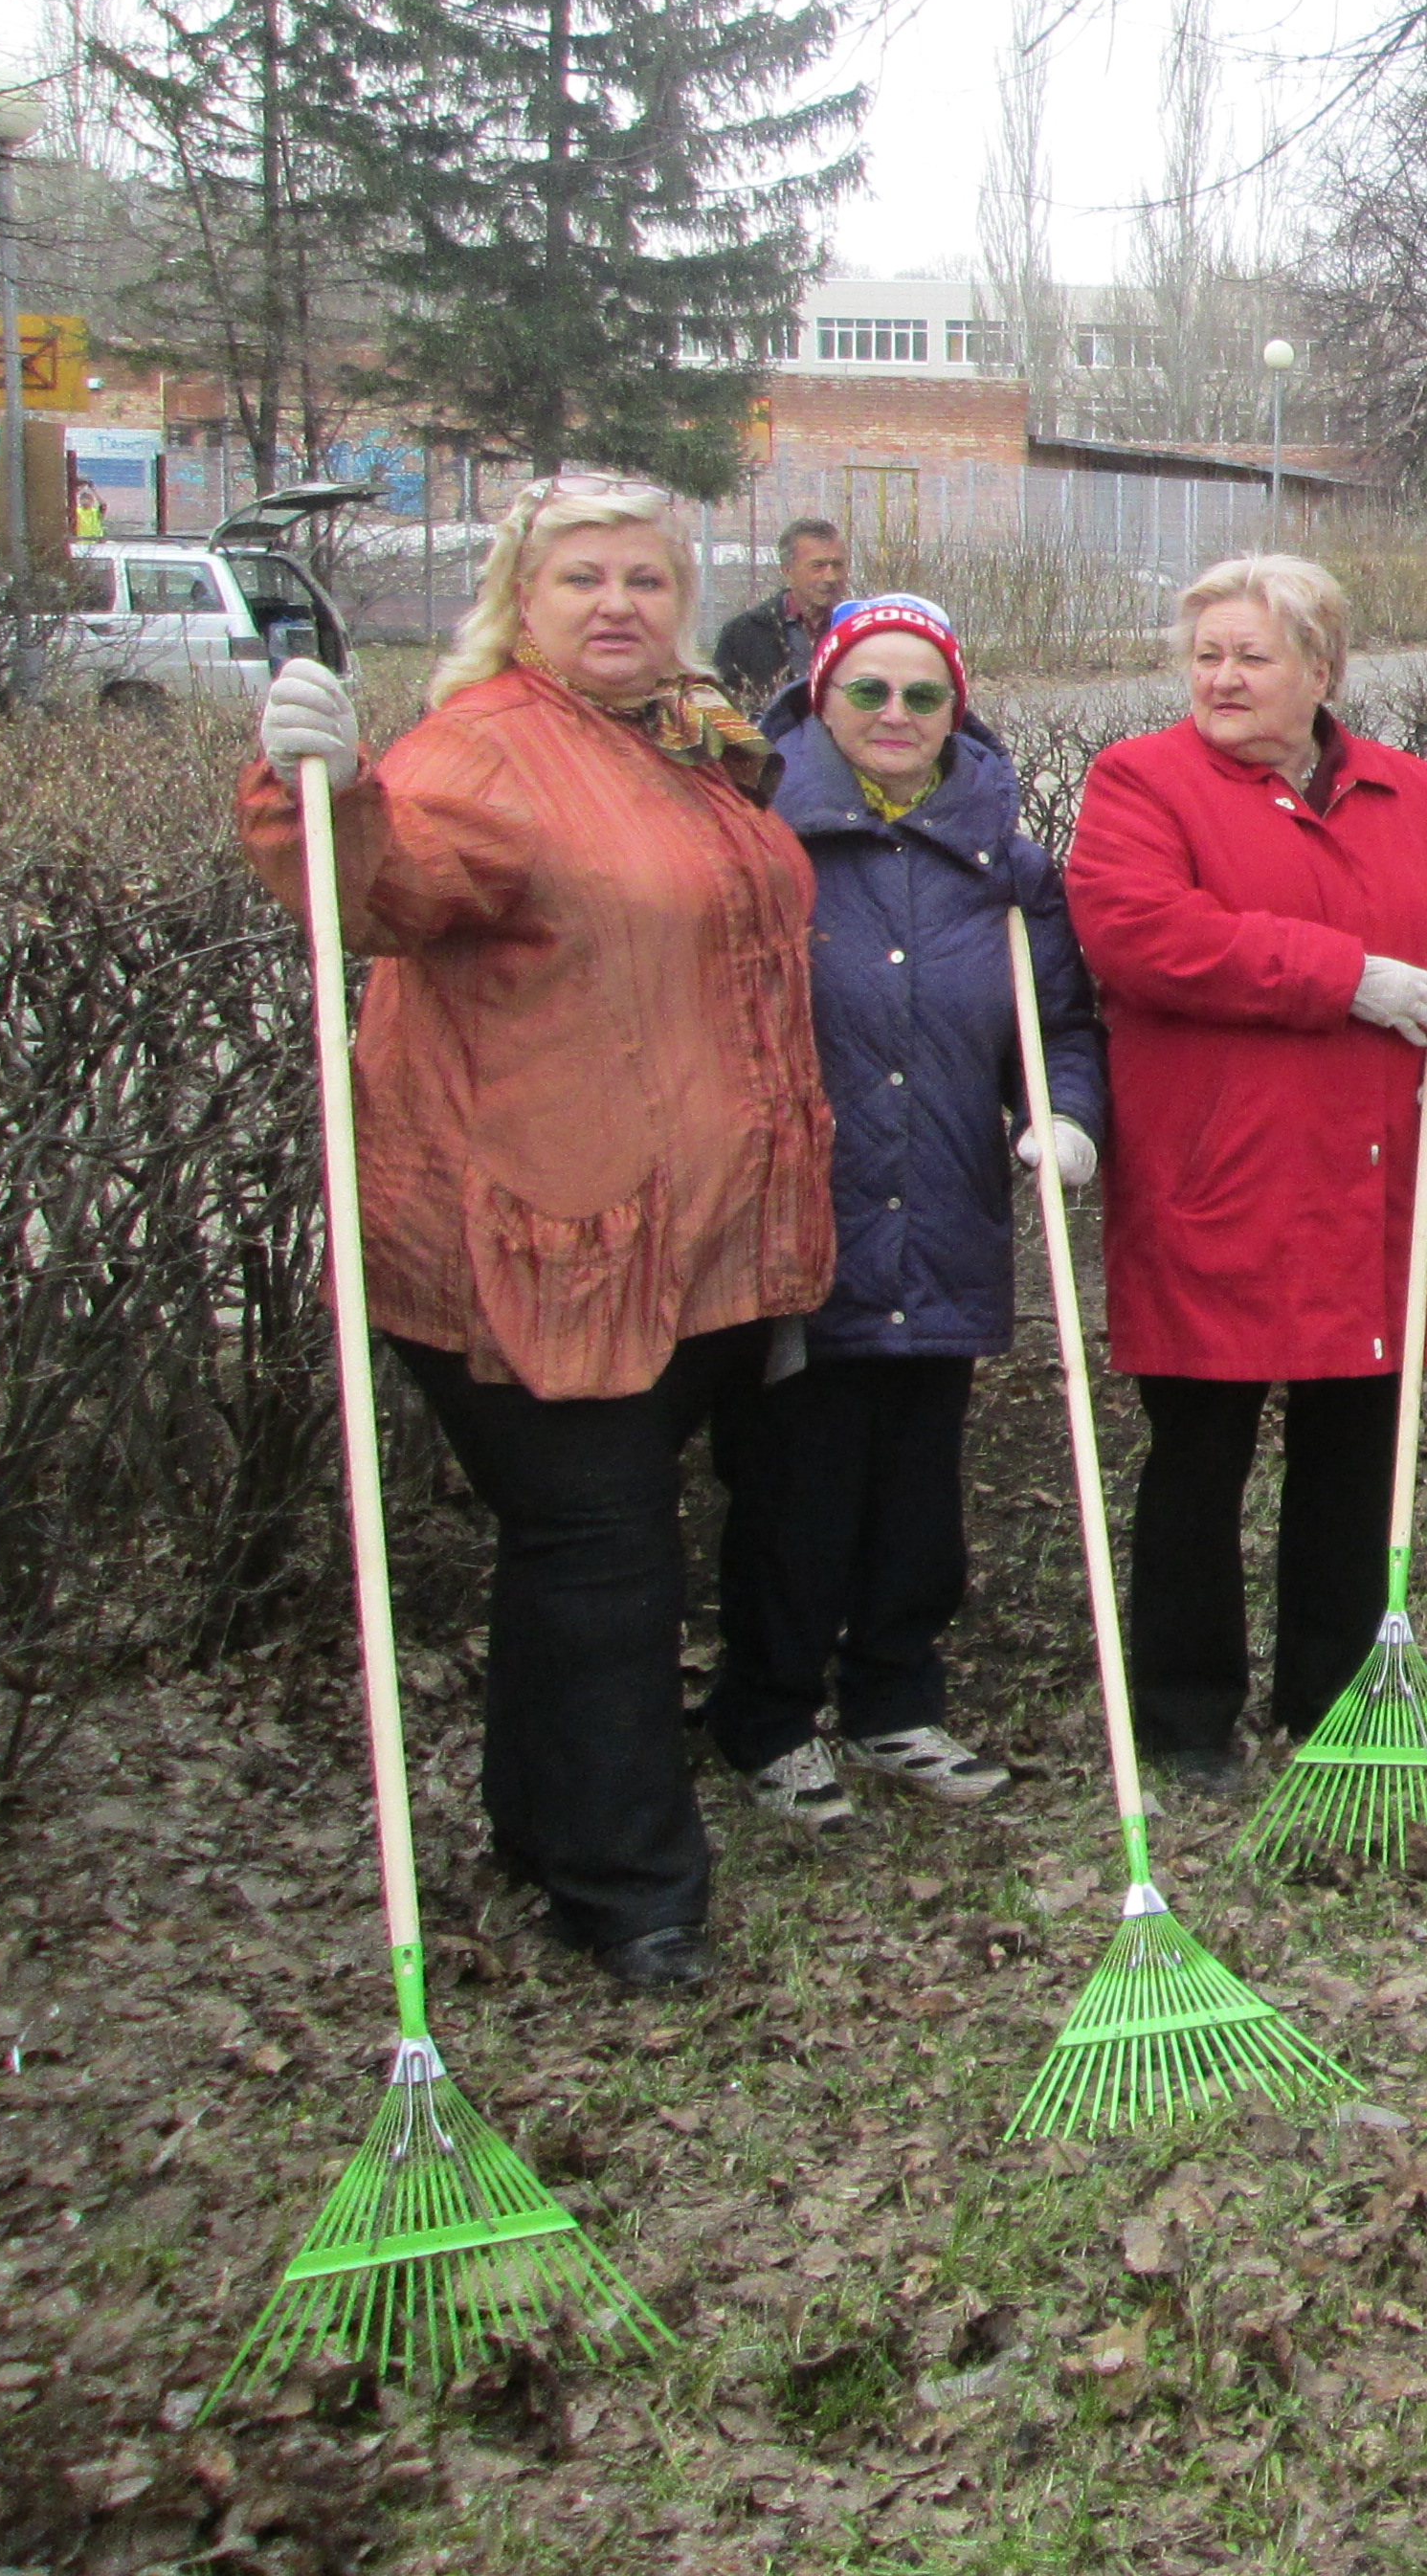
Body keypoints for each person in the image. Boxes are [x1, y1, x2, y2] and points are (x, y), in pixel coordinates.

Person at [240, 472, 830, 1996]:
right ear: (521, 599)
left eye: (643, 579)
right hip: (541, 1235)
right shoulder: (486, 752)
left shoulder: (687, 741)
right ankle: (630, 1891)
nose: (617, 605)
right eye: (582, 582)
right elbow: (381, 889)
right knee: (599, 1553)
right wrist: (321, 788)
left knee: (589, 1550)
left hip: (688, 1234)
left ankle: (545, 1827)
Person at [1064, 551, 1427, 1786]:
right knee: (1200, 1452)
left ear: (1321, 671)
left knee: (1355, 1455)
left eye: (1250, 656)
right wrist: (1348, 977)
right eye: (1205, 655)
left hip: (1379, 1183)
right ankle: (1184, 1713)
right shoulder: (1140, 783)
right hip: (1224, 1178)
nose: (1219, 678)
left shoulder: (1413, 797)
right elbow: (1140, 935)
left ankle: (1330, 1698)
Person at [711, 592, 1104, 1825]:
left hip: (942, 1218)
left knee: (920, 1488)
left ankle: (894, 1700)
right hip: (798, 1224)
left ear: (956, 710)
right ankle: (767, 1716)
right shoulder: (758, 838)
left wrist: (1070, 1114)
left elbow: (1062, 1025)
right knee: (797, 1483)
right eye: (867, 690)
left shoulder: (1005, 862)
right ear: (820, 696)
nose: (894, 715)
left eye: (922, 694)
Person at [714, 516, 849, 705]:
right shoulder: (744, 634)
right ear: (787, 570)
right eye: (818, 566)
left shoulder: (859, 630)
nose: (831, 577)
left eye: (838, 565)